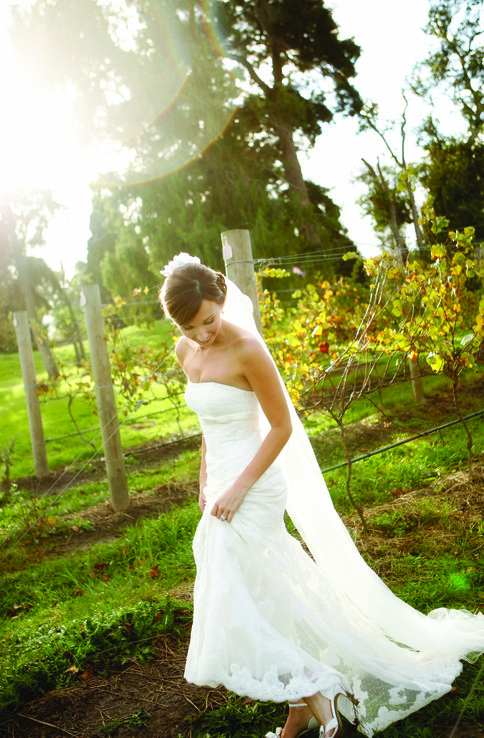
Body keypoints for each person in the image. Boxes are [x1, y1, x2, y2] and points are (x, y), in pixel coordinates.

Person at [159, 252, 484, 738]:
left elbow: (281, 426)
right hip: (221, 479)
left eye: (207, 321)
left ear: (221, 300)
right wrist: (205, 478)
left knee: (230, 584)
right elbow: (208, 423)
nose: (202, 335)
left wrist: (239, 486)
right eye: (189, 328)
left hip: (257, 478)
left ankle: (316, 688)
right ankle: (300, 708)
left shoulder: (248, 348)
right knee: (263, 593)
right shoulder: (186, 352)